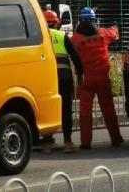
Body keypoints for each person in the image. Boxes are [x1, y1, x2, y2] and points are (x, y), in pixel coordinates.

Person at [70, 8, 123, 149]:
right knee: (108, 108)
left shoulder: (75, 39)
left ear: (80, 20)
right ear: (94, 20)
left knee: (84, 111)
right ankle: (116, 139)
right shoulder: (103, 33)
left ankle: (85, 143)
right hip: (103, 78)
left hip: (86, 79)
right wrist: (114, 27)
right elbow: (114, 33)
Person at [42, 9, 83, 153]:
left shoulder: (41, 37)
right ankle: (67, 142)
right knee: (66, 109)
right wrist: (80, 73)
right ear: (57, 23)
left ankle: (47, 144)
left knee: (47, 110)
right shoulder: (62, 36)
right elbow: (75, 56)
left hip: (48, 78)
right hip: (64, 77)